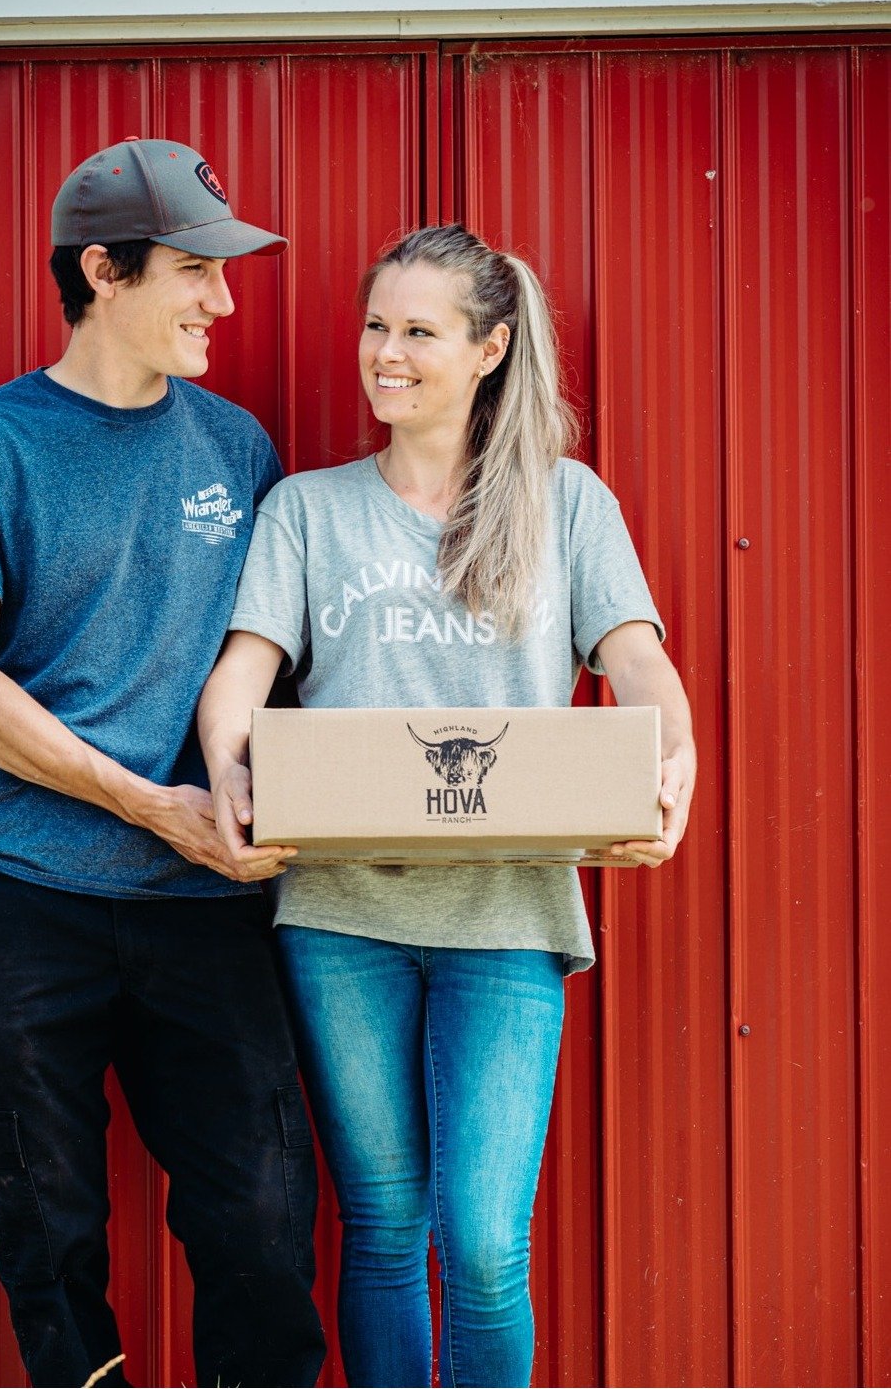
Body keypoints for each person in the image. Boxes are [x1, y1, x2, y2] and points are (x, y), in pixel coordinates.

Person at [199, 224, 696, 1389]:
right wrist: (227, 767)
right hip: (340, 913)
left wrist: (670, 767)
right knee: (382, 1229)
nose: (388, 353)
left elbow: (641, 667)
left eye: (420, 331)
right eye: (378, 326)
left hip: (508, 915)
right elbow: (240, 676)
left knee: (480, 1243)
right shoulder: (309, 512)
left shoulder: (566, 504)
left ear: (489, 348)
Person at [0, 139, 325, 1389]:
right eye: (194, 272)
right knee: (50, 1226)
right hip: (30, 896)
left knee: (257, 1217)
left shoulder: (236, 448)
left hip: (208, 904)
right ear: (102, 271)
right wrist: (146, 802)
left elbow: (276, 655)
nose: (221, 303)